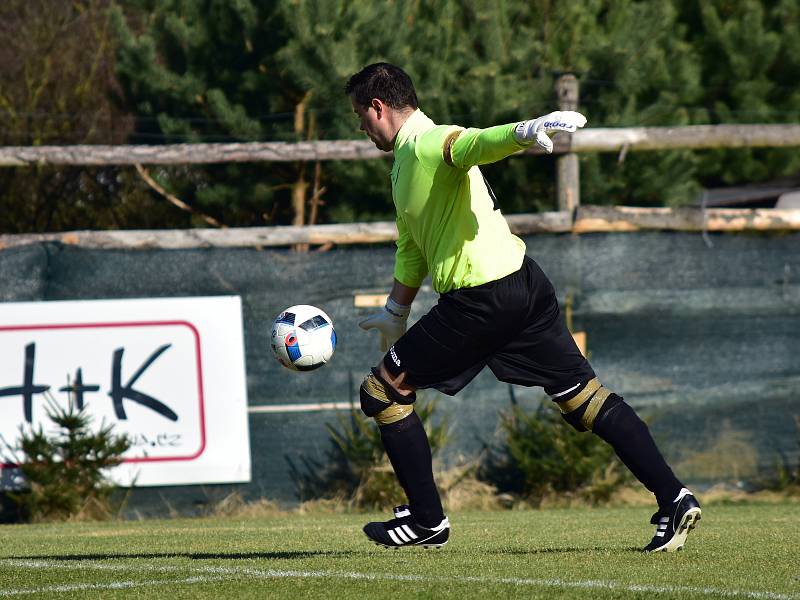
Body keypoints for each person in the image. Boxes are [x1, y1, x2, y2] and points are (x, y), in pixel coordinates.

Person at [346, 62, 700, 553]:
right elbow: (412, 246)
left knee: (381, 394)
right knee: (584, 396)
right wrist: (394, 310)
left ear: (378, 107)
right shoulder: (404, 165)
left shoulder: (427, 142)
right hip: (524, 284)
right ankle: (675, 498)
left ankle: (427, 522)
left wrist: (522, 132)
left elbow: (469, 143)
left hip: (480, 300)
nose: (361, 127)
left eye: (360, 116)